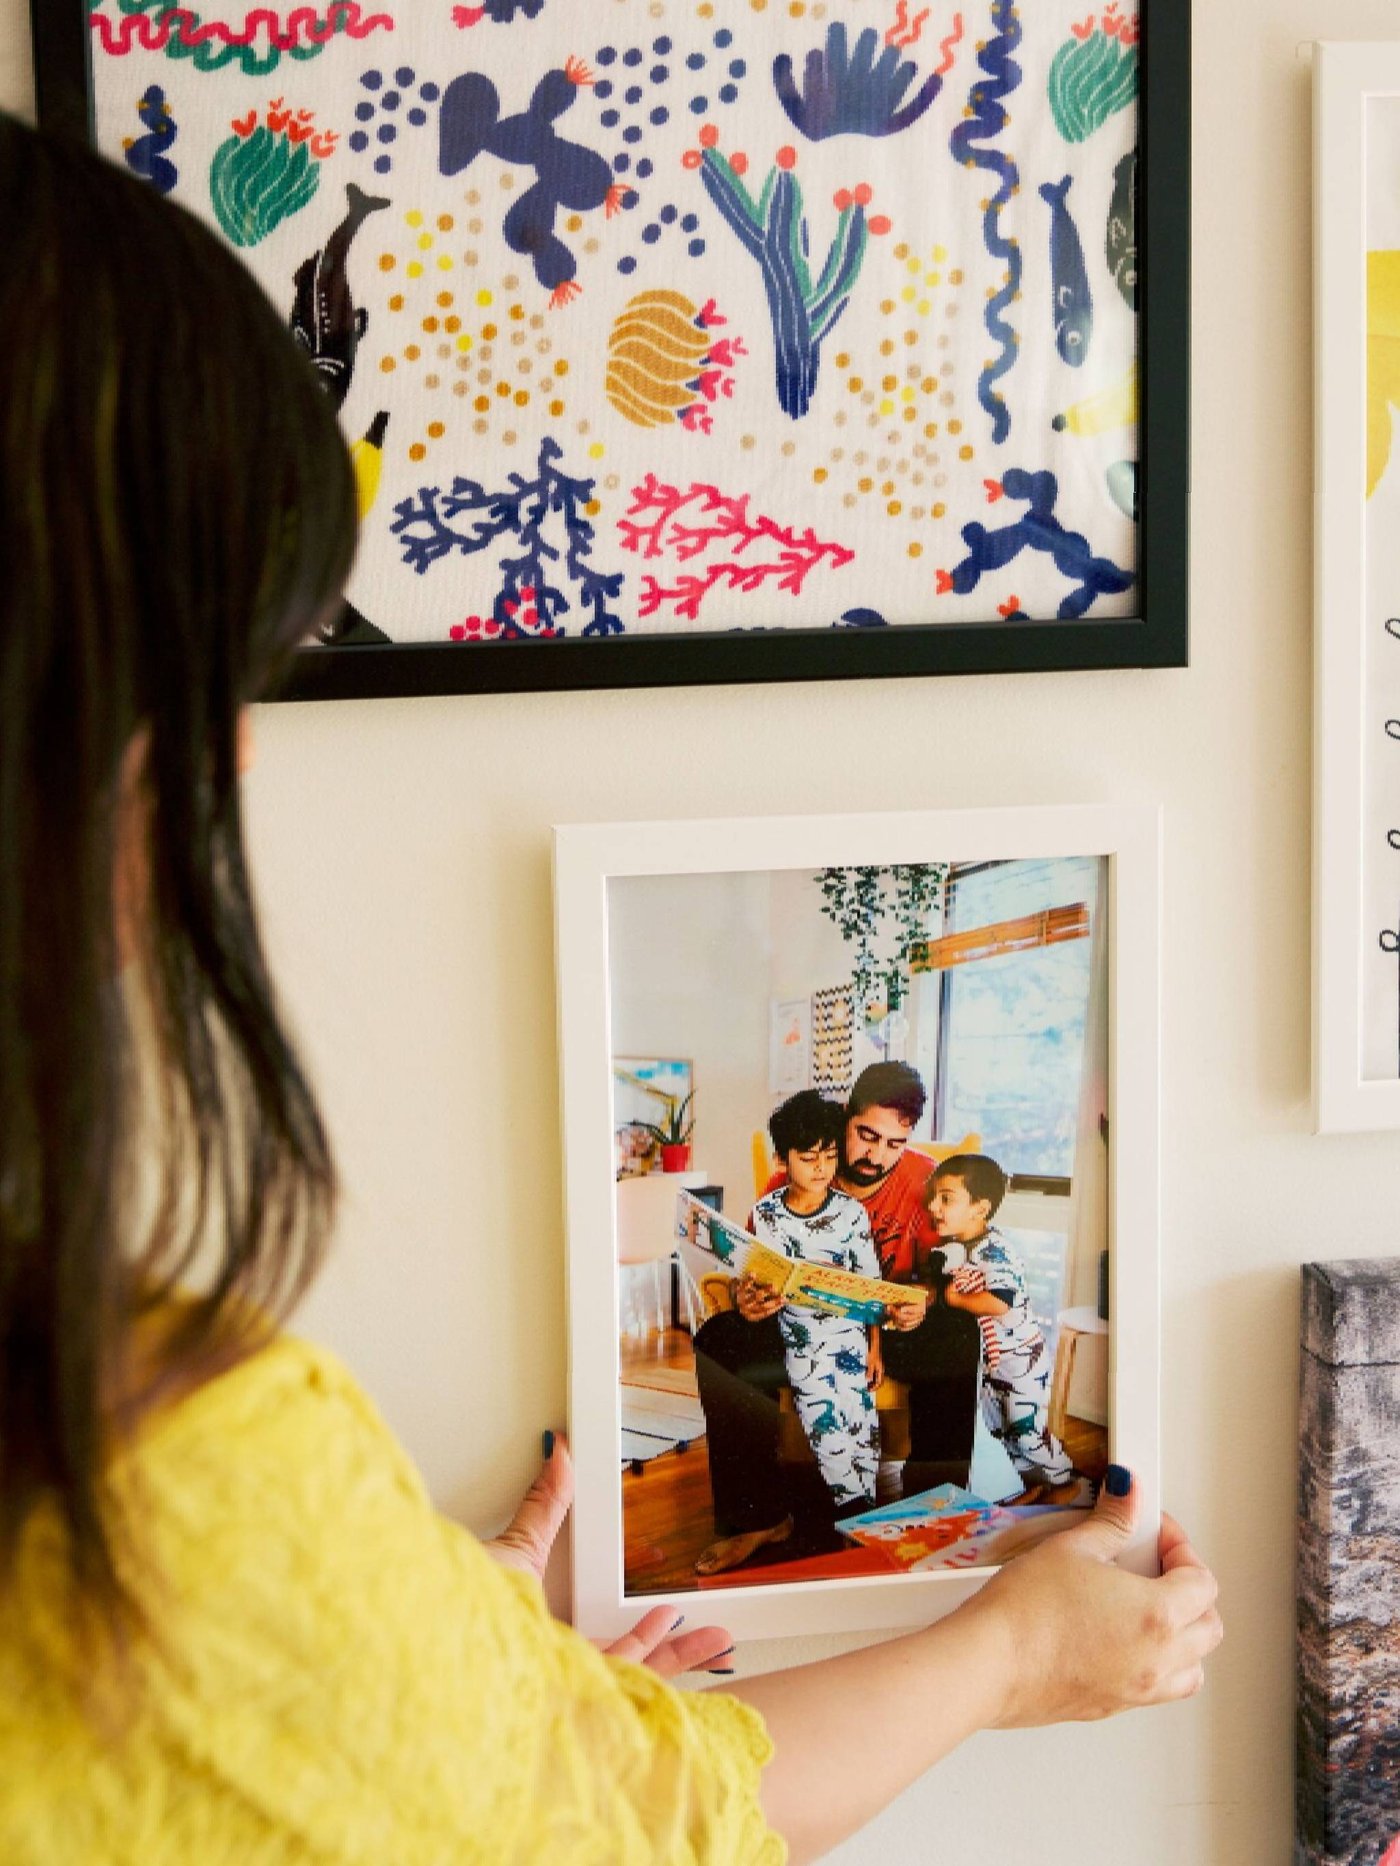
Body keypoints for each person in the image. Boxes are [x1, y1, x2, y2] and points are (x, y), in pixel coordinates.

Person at [0, 115, 1222, 1865]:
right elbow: (652, 1820)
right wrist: (1014, 1648)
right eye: (201, 694)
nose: (234, 767)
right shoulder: (152, 1473)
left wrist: (426, 1664)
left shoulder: (184, 1484)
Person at [694, 1062, 983, 1571]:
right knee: (721, 1337)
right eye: (866, 1136)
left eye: (894, 1143)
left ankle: (933, 1507)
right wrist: (747, 1299)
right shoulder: (783, 1190)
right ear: (845, 1119)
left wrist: (924, 1299)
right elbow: (751, 1267)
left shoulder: (925, 1181)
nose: (877, 1155)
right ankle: (758, 1518)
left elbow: (948, 1269)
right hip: (799, 1326)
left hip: (885, 1326)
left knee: (958, 1331)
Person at [747, 1092, 884, 1526]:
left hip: (850, 1338)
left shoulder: (851, 1214)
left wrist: (875, 1348)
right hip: (801, 1343)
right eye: (808, 1159)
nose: (821, 1167)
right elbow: (761, 1274)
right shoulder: (766, 1214)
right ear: (782, 1160)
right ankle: (852, 1510)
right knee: (824, 1424)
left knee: (862, 1424)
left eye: (829, 1156)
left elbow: (872, 1286)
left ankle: (867, 1512)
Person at [925, 1154, 1082, 1503]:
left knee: (1026, 1431)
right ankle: (1033, 1486)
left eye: (946, 1198)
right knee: (1002, 1431)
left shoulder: (995, 1251)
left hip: (1021, 1362)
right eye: (934, 1197)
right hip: (993, 1365)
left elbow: (999, 1302)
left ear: (980, 1208)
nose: (933, 1206)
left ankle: (1065, 1482)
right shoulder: (956, 1247)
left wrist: (956, 1299)